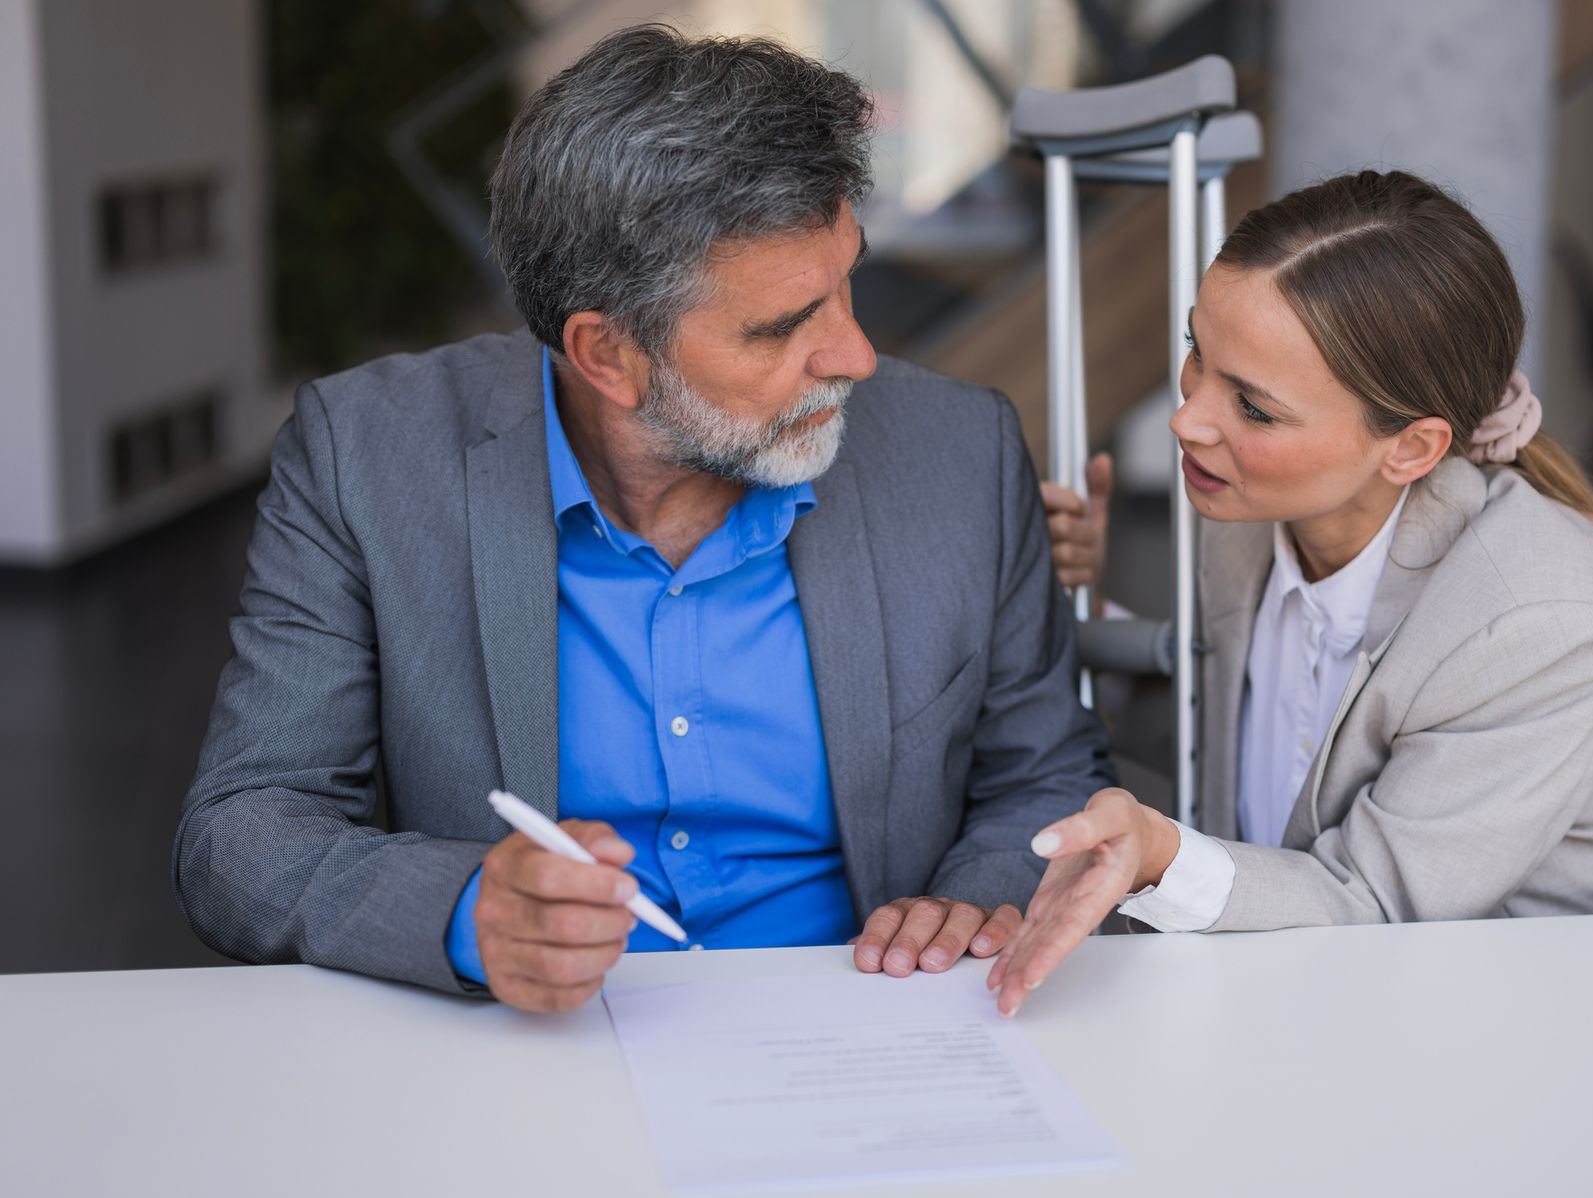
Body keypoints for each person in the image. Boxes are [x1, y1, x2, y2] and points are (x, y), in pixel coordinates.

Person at [173, 25, 1111, 1012]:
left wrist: (980, 897)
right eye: (785, 327)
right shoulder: (363, 456)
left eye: (847, 284)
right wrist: (465, 915)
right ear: (608, 356)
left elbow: (1046, 773)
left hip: (870, 1029)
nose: (856, 356)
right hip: (526, 1060)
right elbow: (242, 834)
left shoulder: (960, 452)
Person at [996, 170, 1593, 1015]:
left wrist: (1162, 858)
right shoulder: (1249, 513)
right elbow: (1235, 728)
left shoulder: (1539, 620)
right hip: (1343, 1006)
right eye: (1195, 356)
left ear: (1411, 448)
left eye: (1252, 405)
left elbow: (1376, 899)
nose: (1188, 419)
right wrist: (1058, 601)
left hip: (1566, 1021)